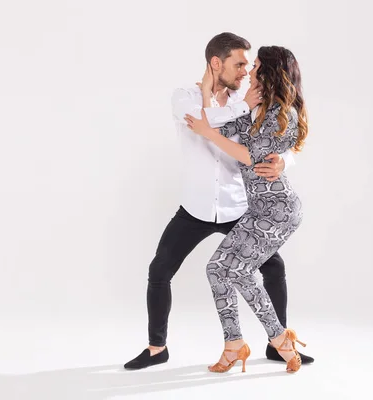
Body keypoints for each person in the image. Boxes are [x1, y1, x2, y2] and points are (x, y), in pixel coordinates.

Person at [123, 32, 313, 371]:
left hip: (241, 206)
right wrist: (228, 102)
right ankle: (157, 348)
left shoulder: (252, 100)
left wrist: (285, 162)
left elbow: (274, 142)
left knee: (273, 268)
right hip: (195, 207)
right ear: (216, 63)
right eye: (239, 64)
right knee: (160, 269)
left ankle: (275, 342)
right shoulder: (186, 97)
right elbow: (203, 123)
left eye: (248, 66)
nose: (244, 71)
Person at [184, 44, 309, 373]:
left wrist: (210, 131)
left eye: (255, 66)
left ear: (268, 72)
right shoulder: (254, 111)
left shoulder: (282, 113)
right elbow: (214, 127)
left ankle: (279, 338)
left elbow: (249, 157)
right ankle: (235, 344)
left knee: (234, 271)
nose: (250, 71)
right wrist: (210, 90)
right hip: (258, 208)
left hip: (280, 209)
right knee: (217, 270)